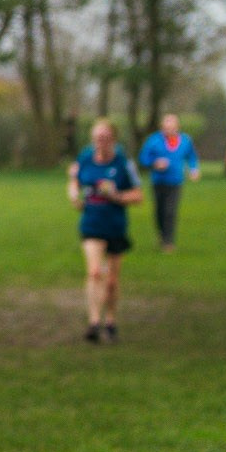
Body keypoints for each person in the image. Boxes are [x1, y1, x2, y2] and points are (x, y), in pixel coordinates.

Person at [67, 119, 143, 344]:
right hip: (91, 224)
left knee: (111, 282)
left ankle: (110, 321)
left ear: (113, 139)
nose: (100, 142)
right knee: (94, 272)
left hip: (115, 226)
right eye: (96, 138)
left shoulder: (123, 163)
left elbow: (138, 196)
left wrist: (115, 196)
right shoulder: (85, 158)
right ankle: (93, 322)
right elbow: (74, 181)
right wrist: (74, 195)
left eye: (104, 138)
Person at [138, 113, 200, 252]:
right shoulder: (153, 140)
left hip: (175, 182)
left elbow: (192, 157)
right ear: (162, 127)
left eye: (172, 127)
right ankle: (161, 234)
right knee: (159, 211)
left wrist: (193, 169)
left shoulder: (185, 141)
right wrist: (155, 163)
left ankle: (168, 241)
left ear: (177, 127)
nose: (169, 130)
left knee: (170, 211)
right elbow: (143, 158)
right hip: (158, 182)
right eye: (166, 127)